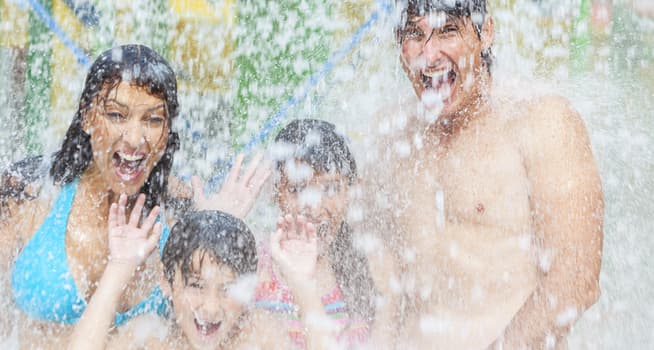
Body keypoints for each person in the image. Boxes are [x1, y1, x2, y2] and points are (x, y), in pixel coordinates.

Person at [0, 44, 269, 348]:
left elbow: (209, 325)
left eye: (153, 120)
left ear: (169, 128)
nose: (135, 138)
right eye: (116, 115)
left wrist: (218, 228)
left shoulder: (179, 206)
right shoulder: (31, 191)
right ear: (87, 115)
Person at [363, 0, 604, 348]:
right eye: (415, 34)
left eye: (447, 31)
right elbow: (367, 263)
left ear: (485, 32)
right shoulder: (392, 136)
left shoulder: (541, 122)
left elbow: (576, 281)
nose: (429, 56)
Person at [67, 204, 298, 350]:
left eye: (226, 289)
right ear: (166, 282)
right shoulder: (149, 338)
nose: (210, 308)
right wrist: (118, 268)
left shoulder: (259, 335)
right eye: (196, 286)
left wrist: (303, 283)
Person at [256, 119, 400, 349]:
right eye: (297, 189)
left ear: (352, 191)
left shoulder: (372, 268)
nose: (314, 207)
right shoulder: (254, 268)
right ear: (275, 192)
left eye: (331, 188)